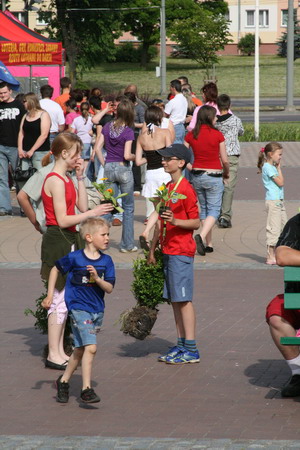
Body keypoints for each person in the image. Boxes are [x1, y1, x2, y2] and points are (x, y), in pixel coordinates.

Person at [40, 132, 113, 370]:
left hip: (69, 237)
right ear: (64, 154)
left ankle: (59, 349)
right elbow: (62, 219)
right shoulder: (55, 179)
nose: (78, 158)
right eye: (76, 154)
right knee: (58, 298)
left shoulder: (67, 177)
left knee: (65, 297)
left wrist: (80, 177)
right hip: (59, 238)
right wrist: (92, 214)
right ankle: (54, 352)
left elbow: (81, 206)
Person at [42, 217, 115, 403]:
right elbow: (55, 269)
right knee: (91, 347)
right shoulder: (75, 258)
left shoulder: (107, 261)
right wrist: (50, 295)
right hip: (78, 308)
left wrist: (97, 279)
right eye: (104, 235)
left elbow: (109, 288)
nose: (107, 238)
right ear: (89, 237)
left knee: (81, 349)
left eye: (108, 235)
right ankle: (86, 389)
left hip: (97, 310)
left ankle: (64, 381)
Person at [148, 143, 200, 364]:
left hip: (181, 251)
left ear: (180, 162)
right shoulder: (168, 188)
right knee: (175, 300)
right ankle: (180, 345)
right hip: (169, 250)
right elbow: (161, 222)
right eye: (163, 158)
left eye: (168, 158)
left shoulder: (186, 188)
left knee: (184, 300)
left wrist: (177, 221)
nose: (163, 161)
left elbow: (197, 221)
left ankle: (191, 349)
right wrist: (152, 249)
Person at [184, 105, 229, 255]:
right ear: (210, 118)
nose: (217, 118)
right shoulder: (218, 135)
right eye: (215, 116)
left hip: (197, 175)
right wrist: (226, 174)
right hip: (214, 175)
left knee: (204, 209)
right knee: (215, 210)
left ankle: (208, 244)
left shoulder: (191, 135)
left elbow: (183, 155)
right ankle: (201, 236)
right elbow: (225, 160)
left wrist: (191, 167)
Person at [266, 214, 300, 397]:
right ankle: (298, 372)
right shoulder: (297, 223)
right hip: (298, 300)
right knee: (276, 313)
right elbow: (282, 255)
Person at [98, 100, 137, 252]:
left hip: (109, 167)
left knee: (109, 206)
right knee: (128, 207)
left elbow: (97, 148)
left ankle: (99, 240)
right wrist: (135, 157)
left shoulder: (107, 127)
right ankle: (127, 245)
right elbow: (127, 155)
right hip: (123, 168)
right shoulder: (128, 131)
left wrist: (105, 164)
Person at [135, 105, 172, 246]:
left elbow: (138, 161)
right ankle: (149, 233)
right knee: (162, 209)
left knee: (157, 209)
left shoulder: (142, 137)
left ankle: (156, 239)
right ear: (159, 118)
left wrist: (150, 158)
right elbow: (169, 154)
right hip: (164, 173)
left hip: (150, 175)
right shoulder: (165, 132)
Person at [215, 94, 244, 229]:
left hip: (217, 156)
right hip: (231, 156)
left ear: (217, 106)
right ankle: (225, 216)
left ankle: (215, 212)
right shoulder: (236, 120)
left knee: (217, 185)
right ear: (229, 105)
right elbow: (241, 132)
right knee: (229, 186)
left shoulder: (215, 122)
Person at [257, 142, 287, 265]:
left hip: (279, 200)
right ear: (270, 154)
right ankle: (270, 255)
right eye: (279, 154)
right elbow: (281, 182)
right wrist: (279, 169)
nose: (280, 157)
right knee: (273, 228)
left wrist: (278, 168)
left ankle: (281, 252)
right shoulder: (268, 168)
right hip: (273, 201)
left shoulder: (272, 167)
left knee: (284, 225)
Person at [0, 82, 26, 215]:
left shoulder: (18, 106)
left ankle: (24, 208)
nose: (2, 95)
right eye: (0, 93)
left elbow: (24, 126)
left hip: (16, 147)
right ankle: (4, 208)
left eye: (4, 92)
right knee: (2, 178)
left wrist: (23, 147)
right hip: (1, 147)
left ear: (10, 91)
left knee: (19, 177)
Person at [18, 92, 51, 173]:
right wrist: (20, 148)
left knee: (40, 176)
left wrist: (32, 150)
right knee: (24, 176)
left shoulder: (44, 114)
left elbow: (44, 135)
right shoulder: (26, 115)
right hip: (25, 151)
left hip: (40, 151)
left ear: (30, 102)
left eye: (24, 101)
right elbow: (21, 132)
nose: (23, 103)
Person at [70, 102, 93, 174]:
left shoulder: (76, 119)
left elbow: (72, 132)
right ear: (89, 109)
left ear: (80, 109)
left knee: (79, 159)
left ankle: (78, 174)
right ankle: (85, 175)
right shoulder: (91, 119)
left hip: (79, 141)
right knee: (86, 160)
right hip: (88, 141)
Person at [164, 79, 188, 144]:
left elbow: (165, 115)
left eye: (170, 87)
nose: (169, 89)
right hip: (182, 127)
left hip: (174, 127)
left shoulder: (173, 101)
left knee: (174, 148)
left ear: (173, 88)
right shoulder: (184, 99)